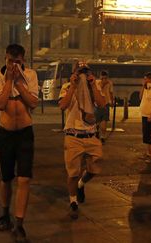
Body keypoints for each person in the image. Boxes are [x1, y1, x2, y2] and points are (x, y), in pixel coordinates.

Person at [0, 44, 38, 242]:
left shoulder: (31, 75)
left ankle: (20, 223)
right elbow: (0, 104)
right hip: (6, 133)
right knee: (6, 178)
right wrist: (9, 79)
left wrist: (18, 82)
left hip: (25, 133)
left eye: (17, 61)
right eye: (10, 61)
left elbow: (33, 102)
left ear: (23, 60)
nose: (13, 65)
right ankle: (4, 212)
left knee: (24, 179)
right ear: (5, 58)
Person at [59, 62, 106, 220]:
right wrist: (73, 87)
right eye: (79, 72)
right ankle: (73, 201)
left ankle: (81, 184)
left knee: (94, 168)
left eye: (85, 72)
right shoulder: (67, 86)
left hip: (91, 135)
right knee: (73, 173)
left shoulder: (95, 86)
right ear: (73, 74)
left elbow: (102, 104)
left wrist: (93, 86)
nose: (82, 76)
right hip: (73, 136)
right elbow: (62, 105)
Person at [95, 71, 114, 144]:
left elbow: (111, 93)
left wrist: (112, 102)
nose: (104, 79)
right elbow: (98, 90)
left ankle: (102, 136)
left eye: (105, 78)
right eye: (102, 78)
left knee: (104, 120)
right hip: (97, 104)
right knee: (97, 121)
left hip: (105, 104)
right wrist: (103, 84)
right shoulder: (97, 82)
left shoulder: (109, 83)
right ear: (100, 77)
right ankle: (97, 133)